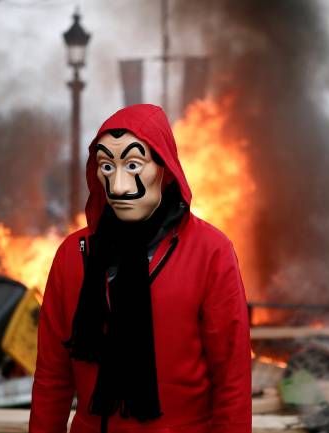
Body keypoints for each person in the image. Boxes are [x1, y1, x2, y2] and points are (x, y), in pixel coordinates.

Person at [30, 104, 252, 433]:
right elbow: (52, 376)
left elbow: (231, 380)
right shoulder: (73, 255)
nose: (118, 186)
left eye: (133, 164)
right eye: (106, 166)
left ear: (165, 167)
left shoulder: (210, 252)